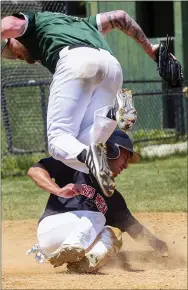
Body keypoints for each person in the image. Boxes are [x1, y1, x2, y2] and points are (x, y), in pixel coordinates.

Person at [1, 10, 159, 197]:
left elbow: (7, 26)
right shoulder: (82, 23)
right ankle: (112, 114)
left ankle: (95, 147)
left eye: (11, 49)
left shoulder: (33, 22)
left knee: (57, 140)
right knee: (86, 143)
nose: (15, 56)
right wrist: (153, 51)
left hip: (75, 60)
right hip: (112, 66)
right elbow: (121, 17)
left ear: (14, 38)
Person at [26, 129, 168, 273]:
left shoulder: (113, 197)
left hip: (76, 239)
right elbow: (35, 170)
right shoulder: (76, 164)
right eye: (125, 157)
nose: (126, 165)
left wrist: (160, 246)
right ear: (111, 150)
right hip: (52, 229)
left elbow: (135, 228)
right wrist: (57, 190)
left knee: (113, 234)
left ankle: (84, 264)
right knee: (98, 217)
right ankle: (72, 246)